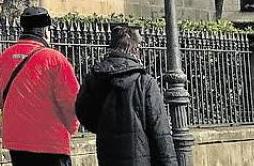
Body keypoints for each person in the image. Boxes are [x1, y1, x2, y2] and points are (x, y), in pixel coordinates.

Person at [75, 25, 178, 166]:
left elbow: (83, 112)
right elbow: (160, 132)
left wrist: (103, 127)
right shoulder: (144, 82)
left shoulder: (96, 78)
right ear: (135, 50)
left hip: (108, 156)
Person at [0, 7, 80, 166]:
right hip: (51, 141)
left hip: (17, 141)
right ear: (45, 31)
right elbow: (71, 101)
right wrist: (72, 127)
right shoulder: (55, 59)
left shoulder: (3, 58)